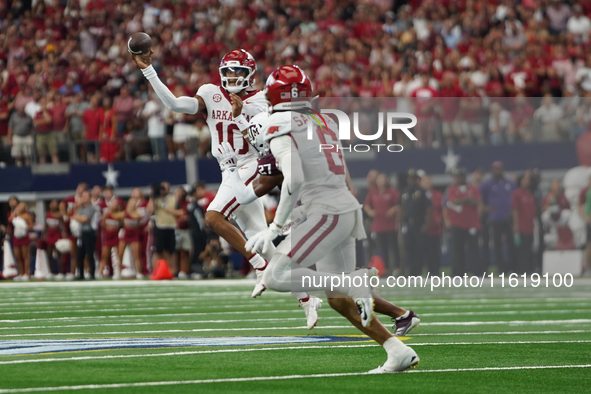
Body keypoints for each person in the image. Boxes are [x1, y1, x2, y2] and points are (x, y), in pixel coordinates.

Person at [224, 65, 419, 373]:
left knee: (274, 276)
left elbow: (296, 178)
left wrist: (276, 229)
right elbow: (335, 174)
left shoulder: (278, 122)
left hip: (326, 212)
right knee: (338, 300)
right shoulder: (322, 120)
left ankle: (354, 283)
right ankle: (397, 350)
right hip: (341, 208)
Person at [132, 48, 271, 297]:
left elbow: (262, 145)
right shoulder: (210, 93)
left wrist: (241, 118)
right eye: (228, 70)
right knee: (265, 243)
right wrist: (149, 70)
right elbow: (175, 104)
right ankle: (309, 295)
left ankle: (259, 265)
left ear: (250, 73)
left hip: (249, 165)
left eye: (238, 70)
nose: (232, 75)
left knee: (214, 217)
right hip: (227, 169)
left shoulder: (261, 101)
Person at [479, 161, 516, 273]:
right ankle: (500, 268)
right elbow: (478, 197)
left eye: (499, 168)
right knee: (497, 244)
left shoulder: (510, 183)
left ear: (503, 168)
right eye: (495, 168)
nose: (497, 170)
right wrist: (485, 208)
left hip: (509, 218)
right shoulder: (487, 184)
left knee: (511, 244)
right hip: (495, 218)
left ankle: (511, 267)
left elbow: (515, 198)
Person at [445, 168, 482, 276]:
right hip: (457, 223)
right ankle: (458, 273)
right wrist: (467, 199)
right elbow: (453, 201)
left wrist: (463, 199)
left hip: (471, 223)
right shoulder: (452, 189)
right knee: (457, 250)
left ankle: (476, 272)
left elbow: (477, 202)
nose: (457, 179)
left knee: (474, 250)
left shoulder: (473, 188)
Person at [363, 172, 400, 275]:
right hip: (378, 225)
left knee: (393, 247)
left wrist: (393, 210)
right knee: (382, 248)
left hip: (390, 225)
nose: (381, 181)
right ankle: (385, 268)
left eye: (383, 179)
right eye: (379, 179)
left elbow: (399, 204)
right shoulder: (373, 192)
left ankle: (396, 267)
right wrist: (370, 211)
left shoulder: (392, 192)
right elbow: (366, 204)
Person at [400, 169, 432, 276]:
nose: (410, 181)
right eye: (409, 178)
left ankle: (419, 271)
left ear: (417, 179)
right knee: (409, 248)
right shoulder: (405, 192)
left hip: (419, 223)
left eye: (413, 178)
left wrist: (426, 224)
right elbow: (401, 207)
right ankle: (411, 272)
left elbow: (429, 208)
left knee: (420, 248)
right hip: (407, 223)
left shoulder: (422, 192)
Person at [147, 182, 178, 271]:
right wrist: (152, 196)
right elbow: (149, 210)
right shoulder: (156, 199)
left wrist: (170, 210)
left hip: (171, 226)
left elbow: (181, 212)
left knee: (171, 250)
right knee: (158, 250)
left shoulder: (173, 198)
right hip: (160, 226)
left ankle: (172, 270)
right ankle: (155, 270)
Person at [512, 173, 537, 274]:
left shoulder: (530, 194)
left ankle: (529, 268)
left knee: (529, 248)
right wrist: (516, 224)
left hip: (530, 226)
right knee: (522, 249)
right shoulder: (517, 194)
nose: (528, 182)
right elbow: (515, 209)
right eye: (525, 180)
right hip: (521, 226)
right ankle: (521, 270)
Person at [71, 190, 98, 280]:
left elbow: (84, 219)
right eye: (83, 197)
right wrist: (78, 217)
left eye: (86, 196)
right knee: (80, 254)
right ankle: (80, 273)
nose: (84, 199)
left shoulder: (92, 208)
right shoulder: (81, 208)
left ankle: (92, 273)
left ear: (90, 197)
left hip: (89, 233)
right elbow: (74, 215)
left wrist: (78, 217)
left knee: (90, 254)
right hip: (82, 233)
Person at [421, 174, 443, 275]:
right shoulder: (418, 195)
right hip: (422, 228)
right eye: (425, 181)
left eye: (429, 181)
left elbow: (443, 208)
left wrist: (440, 218)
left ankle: (435, 272)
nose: (427, 183)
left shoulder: (438, 195)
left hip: (435, 228)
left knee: (434, 251)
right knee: (423, 251)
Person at [98, 198, 122, 279]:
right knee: (104, 255)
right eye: (113, 204)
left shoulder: (120, 215)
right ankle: (100, 272)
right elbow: (103, 224)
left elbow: (122, 224)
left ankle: (118, 272)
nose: (114, 205)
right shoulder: (106, 214)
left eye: (116, 204)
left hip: (116, 237)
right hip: (108, 237)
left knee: (118, 255)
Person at [10, 202, 33, 281]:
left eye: (22, 206)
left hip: (24, 237)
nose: (21, 207)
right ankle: (20, 273)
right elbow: (10, 220)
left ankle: (26, 273)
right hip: (16, 237)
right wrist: (15, 213)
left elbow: (31, 226)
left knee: (25, 255)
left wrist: (23, 227)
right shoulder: (14, 215)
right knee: (17, 256)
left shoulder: (27, 216)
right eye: (19, 206)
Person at [65, 92, 90, 162]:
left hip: (83, 129)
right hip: (73, 129)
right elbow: (66, 114)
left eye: (79, 96)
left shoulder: (86, 104)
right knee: (75, 146)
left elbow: (88, 114)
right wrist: (73, 112)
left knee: (84, 145)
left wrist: (77, 112)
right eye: (76, 96)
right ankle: (77, 161)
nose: (77, 97)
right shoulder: (71, 106)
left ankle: (85, 160)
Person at [34, 96, 58, 164]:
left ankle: (56, 171)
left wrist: (44, 111)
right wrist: (45, 121)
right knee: (42, 155)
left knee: (53, 153)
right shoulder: (38, 113)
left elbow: (49, 120)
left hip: (50, 134)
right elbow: (35, 122)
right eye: (42, 102)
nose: (43, 104)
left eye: (44, 102)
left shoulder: (51, 111)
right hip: (40, 135)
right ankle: (42, 172)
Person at [43, 200, 64, 279]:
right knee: (49, 254)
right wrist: (43, 235)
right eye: (51, 204)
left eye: (55, 204)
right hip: (49, 235)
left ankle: (61, 272)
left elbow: (62, 226)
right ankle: (50, 272)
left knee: (59, 254)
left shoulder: (59, 215)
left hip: (57, 234)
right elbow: (45, 226)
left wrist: (63, 235)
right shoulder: (47, 214)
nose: (53, 205)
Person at [578, 174, 591, 275]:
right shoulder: (585, 191)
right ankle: (588, 267)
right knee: (589, 244)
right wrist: (585, 217)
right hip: (589, 221)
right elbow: (579, 206)